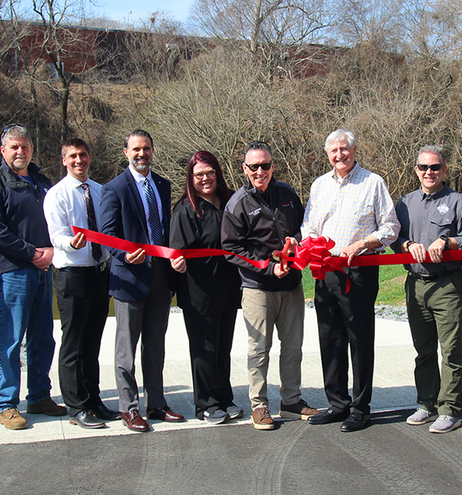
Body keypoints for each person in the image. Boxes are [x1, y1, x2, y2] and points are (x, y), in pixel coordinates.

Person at [302, 129, 399, 432]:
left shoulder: (373, 183)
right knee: (329, 339)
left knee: (359, 339)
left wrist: (363, 244)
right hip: (325, 271)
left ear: (355, 151)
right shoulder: (319, 185)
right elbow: (308, 225)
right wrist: (310, 245)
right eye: (334, 151)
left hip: (358, 273)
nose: (339, 155)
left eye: (344, 149)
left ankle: (360, 407)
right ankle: (337, 404)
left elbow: (391, 227)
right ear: (327, 154)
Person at [221, 141, 319, 430]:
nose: (260, 171)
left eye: (265, 165)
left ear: (273, 165)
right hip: (257, 289)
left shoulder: (288, 194)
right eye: (254, 167)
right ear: (245, 169)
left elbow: (306, 226)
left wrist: (296, 242)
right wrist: (267, 266)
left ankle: (291, 401)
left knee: (292, 348)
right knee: (258, 350)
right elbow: (231, 249)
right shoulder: (237, 203)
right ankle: (259, 405)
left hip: (292, 286)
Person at [99, 129, 185, 432]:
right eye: (136, 149)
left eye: (146, 148)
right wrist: (123, 256)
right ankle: (129, 407)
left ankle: (157, 403)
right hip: (129, 277)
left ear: (152, 150)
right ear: (126, 152)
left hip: (161, 276)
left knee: (155, 345)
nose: (141, 154)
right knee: (126, 347)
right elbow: (107, 235)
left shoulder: (162, 184)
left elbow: (165, 227)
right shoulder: (113, 189)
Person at [0, 124, 64, 430]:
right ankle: (6, 404)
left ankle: (40, 396)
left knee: (43, 337)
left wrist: (54, 251)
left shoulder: (42, 181)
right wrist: (32, 253)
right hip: (13, 271)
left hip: (44, 270)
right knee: (11, 340)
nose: (20, 152)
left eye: (25, 146)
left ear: (32, 149)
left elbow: (57, 220)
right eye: (13, 147)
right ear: (2, 151)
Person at [392, 145, 462, 434]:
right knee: (423, 350)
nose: (429, 172)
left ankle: (450, 408)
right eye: (424, 167)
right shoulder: (405, 203)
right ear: (416, 170)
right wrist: (406, 245)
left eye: (435, 167)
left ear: (444, 170)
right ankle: (426, 403)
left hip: (446, 284)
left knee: (451, 349)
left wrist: (448, 242)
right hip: (415, 284)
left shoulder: (457, 201)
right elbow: (393, 236)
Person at [43, 138, 119, 429]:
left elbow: (110, 231)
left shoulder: (101, 191)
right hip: (72, 275)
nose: (79, 160)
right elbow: (56, 235)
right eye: (73, 156)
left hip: (99, 272)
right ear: (64, 160)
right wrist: (71, 243)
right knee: (73, 343)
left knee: (92, 341)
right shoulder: (56, 195)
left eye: (83, 155)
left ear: (90, 157)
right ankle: (76, 407)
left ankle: (93, 400)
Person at [169, 151, 243, 426]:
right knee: (204, 348)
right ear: (191, 178)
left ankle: (224, 398)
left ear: (217, 173)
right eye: (199, 174)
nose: (205, 179)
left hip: (228, 286)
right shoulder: (185, 209)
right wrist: (176, 263)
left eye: (209, 172)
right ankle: (206, 404)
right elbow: (176, 252)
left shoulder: (231, 201)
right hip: (198, 290)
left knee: (223, 346)